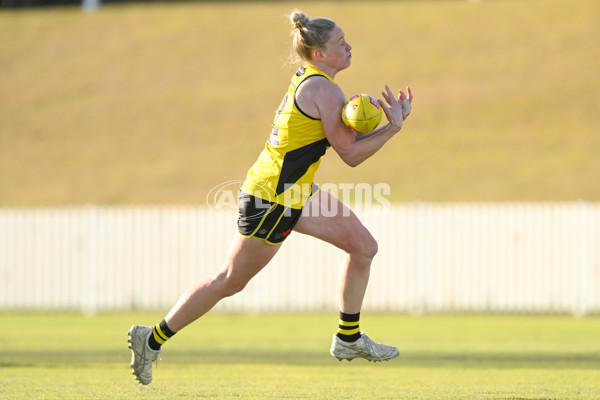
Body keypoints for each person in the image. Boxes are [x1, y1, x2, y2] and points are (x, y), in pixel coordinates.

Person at [128, 9, 413, 385]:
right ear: (320, 54)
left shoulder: (317, 82)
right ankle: (152, 338)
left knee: (363, 246)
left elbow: (346, 144)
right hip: (272, 198)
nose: (348, 47)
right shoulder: (324, 89)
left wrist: (389, 126)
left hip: (295, 192)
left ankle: (348, 338)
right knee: (230, 280)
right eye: (339, 43)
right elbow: (351, 156)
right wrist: (392, 128)